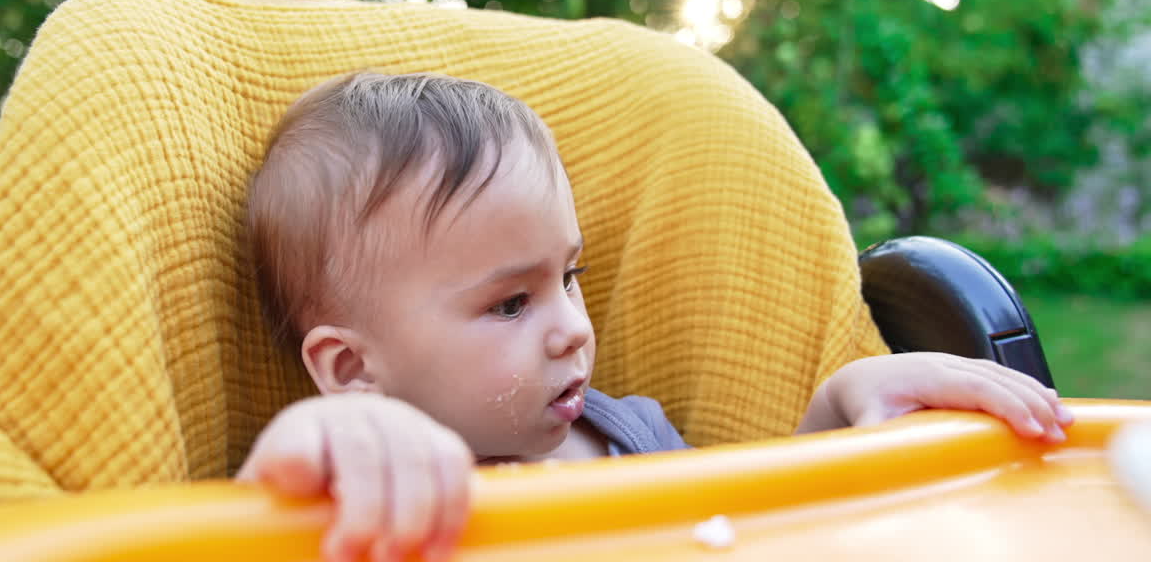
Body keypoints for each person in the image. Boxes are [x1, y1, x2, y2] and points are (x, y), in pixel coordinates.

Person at [237, 71, 1074, 562]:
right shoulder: (368, 495)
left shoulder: (632, 435)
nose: (570, 326)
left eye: (571, 276)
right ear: (352, 371)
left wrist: (847, 403)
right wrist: (319, 450)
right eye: (510, 303)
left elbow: (749, 531)